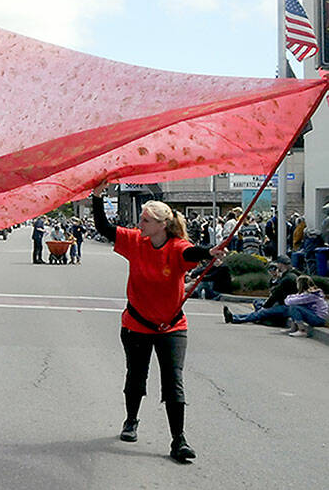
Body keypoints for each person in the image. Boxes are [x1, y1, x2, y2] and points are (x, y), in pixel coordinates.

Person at [93, 189, 221, 463]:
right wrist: (96, 197)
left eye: (146, 220)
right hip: (136, 324)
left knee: (173, 381)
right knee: (136, 376)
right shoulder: (136, 241)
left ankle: (179, 440)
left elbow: (192, 253)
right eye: (141, 219)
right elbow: (103, 227)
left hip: (171, 327)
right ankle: (131, 420)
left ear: (163, 225)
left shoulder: (177, 248)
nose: (140, 225)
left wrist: (209, 252)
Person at [222, 255, 299, 327]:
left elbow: (275, 295)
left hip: (286, 306)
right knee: (257, 302)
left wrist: (265, 306)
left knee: (262, 311)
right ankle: (261, 319)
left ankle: (235, 318)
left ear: (281, 264)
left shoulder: (287, 279)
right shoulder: (291, 275)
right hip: (284, 303)